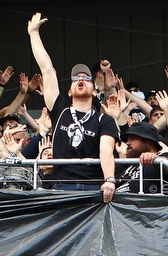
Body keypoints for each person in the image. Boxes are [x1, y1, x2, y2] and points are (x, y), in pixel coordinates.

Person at [29, 13, 119, 201]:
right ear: (69, 91)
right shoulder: (60, 109)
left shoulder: (104, 120)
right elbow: (47, 69)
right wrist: (33, 34)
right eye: (75, 78)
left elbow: (106, 150)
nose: (80, 80)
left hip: (94, 187)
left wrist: (109, 180)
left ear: (94, 91)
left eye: (86, 78)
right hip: (62, 187)